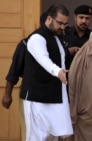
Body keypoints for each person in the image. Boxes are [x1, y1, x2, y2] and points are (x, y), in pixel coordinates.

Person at [20, 4, 73, 140]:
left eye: (65, 24)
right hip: (37, 97)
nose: (62, 27)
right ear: (49, 19)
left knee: (53, 136)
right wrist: (58, 72)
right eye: (60, 23)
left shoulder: (57, 36)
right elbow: (44, 59)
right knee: (37, 137)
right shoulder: (37, 38)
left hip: (55, 95)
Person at [1, 12, 48, 141]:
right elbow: (14, 71)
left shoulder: (58, 43)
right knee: (31, 131)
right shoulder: (26, 44)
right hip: (30, 94)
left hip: (51, 94)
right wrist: (7, 94)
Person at [64, 4, 92, 69]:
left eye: (87, 18)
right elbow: (56, 54)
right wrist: (68, 51)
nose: (84, 21)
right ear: (75, 17)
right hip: (66, 75)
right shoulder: (65, 34)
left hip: (86, 76)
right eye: (81, 17)